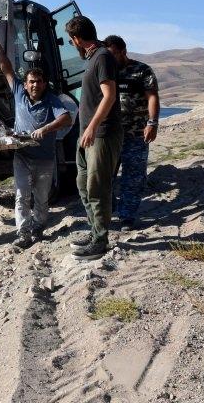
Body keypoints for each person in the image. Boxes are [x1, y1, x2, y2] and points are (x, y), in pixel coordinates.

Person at [0, 29, 72, 249]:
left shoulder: (52, 101)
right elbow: (6, 68)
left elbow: (66, 119)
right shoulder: (18, 93)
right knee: (21, 196)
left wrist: (46, 128)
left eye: (39, 82)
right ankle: (23, 233)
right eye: (31, 82)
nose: (35, 85)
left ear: (44, 84)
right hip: (22, 157)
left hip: (45, 159)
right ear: (25, 84)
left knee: (41, 199)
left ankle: (38, 227)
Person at [65, 16, 123, 260]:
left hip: (102, 133)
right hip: (87, 136)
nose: (72, 45)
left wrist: (92, 127)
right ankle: (95, 231)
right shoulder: (92, 59)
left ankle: (100, 240)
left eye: (71, 41)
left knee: (97, 188)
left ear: (77, 39)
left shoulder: (103, 57)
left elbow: (109, 95)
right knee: (82, 184)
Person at [104, 35, 160, 231]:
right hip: (110, 134)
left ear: (123, 52)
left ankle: (127, 217)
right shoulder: (106, 72)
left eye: (113, 55)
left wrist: (152, 123)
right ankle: (106, 214)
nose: (109, 59)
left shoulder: (141, 70)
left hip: (136, 134)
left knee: (133, 177)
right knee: (105, 176)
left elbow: (152, 97)